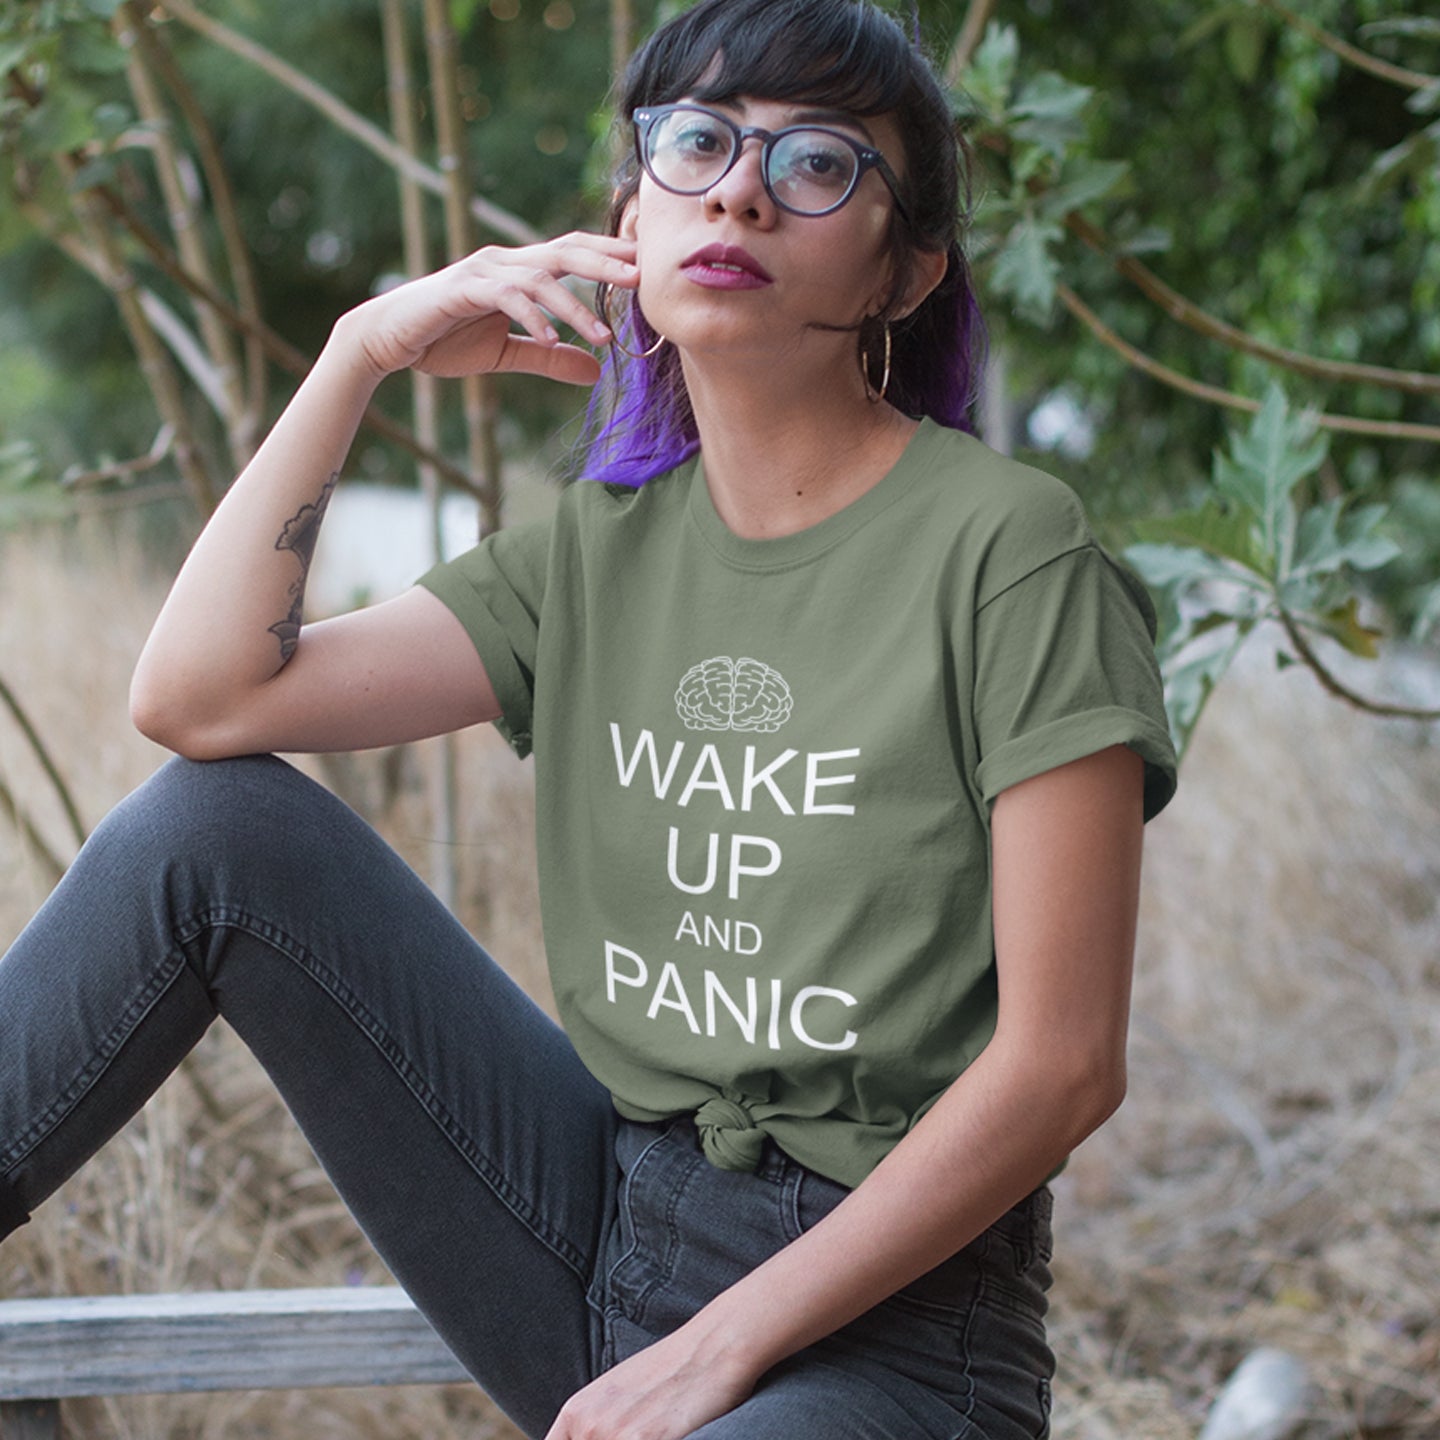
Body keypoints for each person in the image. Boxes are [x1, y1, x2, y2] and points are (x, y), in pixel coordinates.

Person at [0, 1, 1177, 1436]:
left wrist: (715, 1351)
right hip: (596, 1227)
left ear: (907, 271)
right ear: (632, 213)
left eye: (817, 164)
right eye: (698, 142)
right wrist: (358, 355)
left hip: (890, 1339)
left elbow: (1064, 1068)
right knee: (217, 828)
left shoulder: (1012, 553)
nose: (739, 187)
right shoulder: (594, 553)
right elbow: (199, 700)